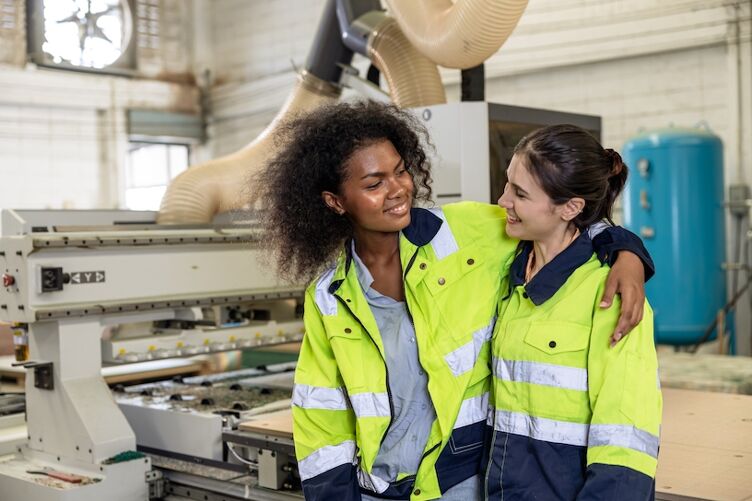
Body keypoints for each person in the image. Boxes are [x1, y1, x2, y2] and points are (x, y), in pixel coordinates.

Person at [256, 101, 653, 500]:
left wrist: (627, 251)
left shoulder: (469, 234)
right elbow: (320, 418)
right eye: (374, 184)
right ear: (336, 201)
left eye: (400, 171)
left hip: (460, 483)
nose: (397, 190)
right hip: (377, 489)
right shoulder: (328, 296)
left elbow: (562, 221)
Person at [484, 124, 662, 500]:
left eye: (519, 193)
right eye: (506, 185)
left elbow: (625, 439)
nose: (502, 201)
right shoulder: (505, 271)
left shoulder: (610, 295)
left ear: (571, 207)